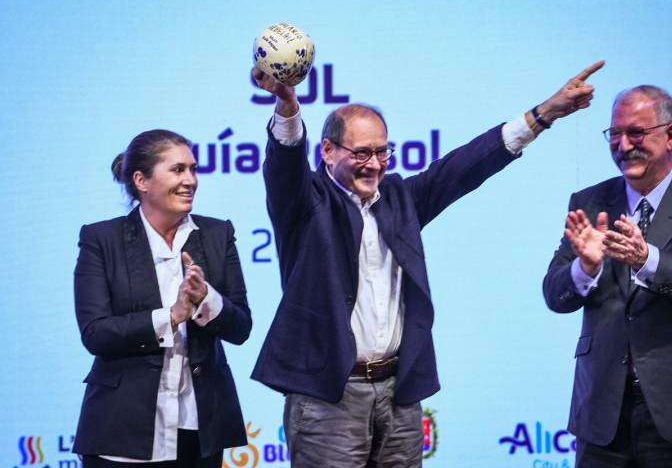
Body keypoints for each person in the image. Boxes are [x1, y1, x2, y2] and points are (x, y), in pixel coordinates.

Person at [250, 60, 604, 467]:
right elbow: (284, 162)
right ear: (328, 151)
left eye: (383, 151)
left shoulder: (401, 198)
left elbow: (465, 166)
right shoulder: (305, 201)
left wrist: (543, 114)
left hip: (399, 393)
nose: (375, 163)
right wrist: (288, 105)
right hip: (329, 395)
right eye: (362, 153)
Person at [543, 85, 672, 466]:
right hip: (603, 416)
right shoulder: (588, 202)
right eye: (615, 134)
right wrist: (584, 268)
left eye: (636, 133)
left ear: (671, 136)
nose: (623, 145)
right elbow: (554, 294)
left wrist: (646, 259)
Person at [72, 129, 252, 467]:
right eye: (178, 170)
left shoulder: (217, 234)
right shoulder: (101, 239)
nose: (191, 180)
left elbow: (241, 327)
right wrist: (171, 316)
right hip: (122, 428)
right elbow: (96, 333)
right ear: (141, 180)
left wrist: (205, 300)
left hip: (199, 429)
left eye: (193, 169)